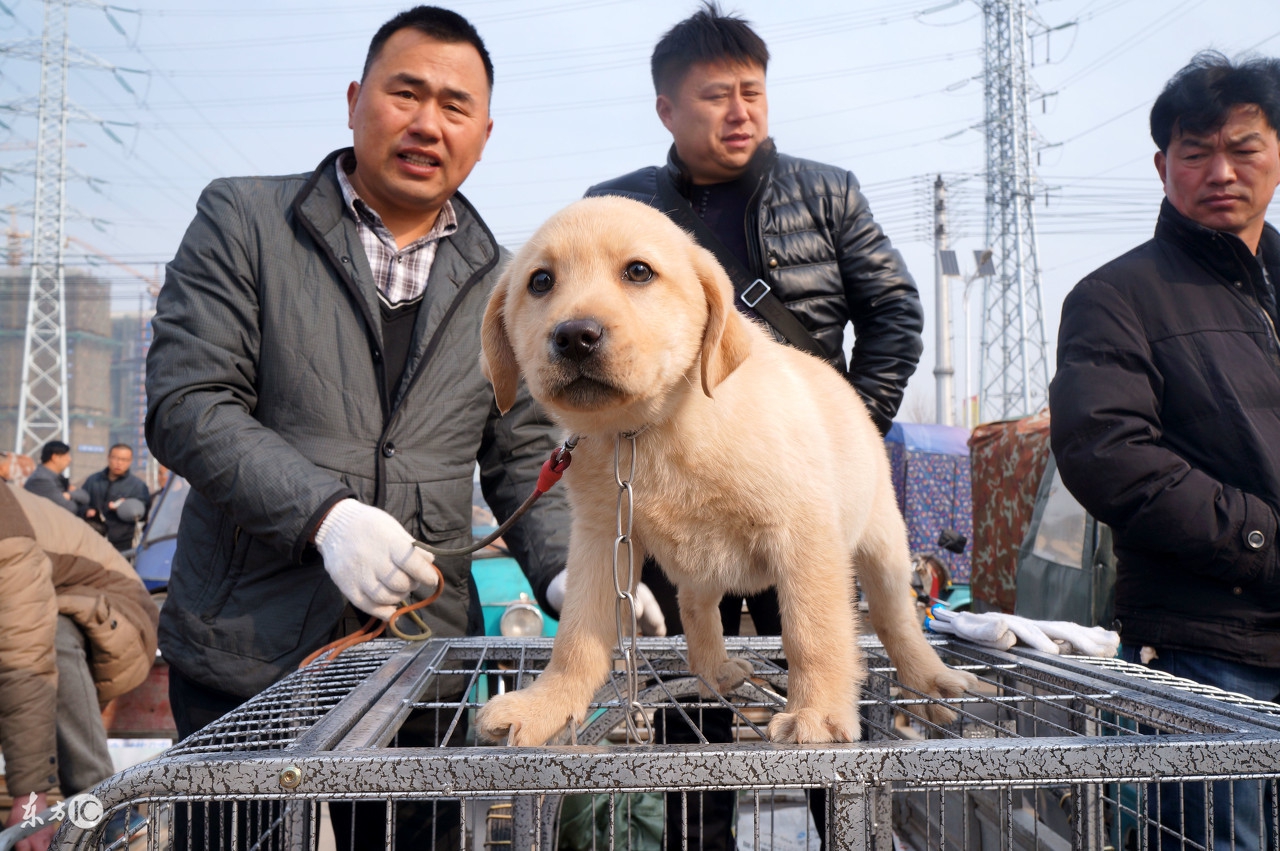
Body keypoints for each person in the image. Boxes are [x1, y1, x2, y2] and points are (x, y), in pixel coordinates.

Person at [145, 6, 569, 846]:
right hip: (250, 650)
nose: (426, 122)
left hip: (418, 658)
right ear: (354, 100)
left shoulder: (509, 278)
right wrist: (325, 517)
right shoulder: (246, 222)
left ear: (484, 132)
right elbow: (187, 401)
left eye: (455, 105)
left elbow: (524, 458)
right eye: (404, 92)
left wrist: (571, 574)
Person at [581, 5, 923, 850]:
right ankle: (701, 838)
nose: (741, 112)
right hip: (663, 491)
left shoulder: (828, 190)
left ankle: (847, 833)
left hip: (785, 489)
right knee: (688, 721)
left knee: (824, 704)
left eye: (753, 93)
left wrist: (843, 437)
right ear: (666, 108)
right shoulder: (614, 207)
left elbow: (895, 315)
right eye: (715, 96)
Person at [1049, 51, 1280, 851]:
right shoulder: (1116, 296)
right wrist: (1261, 541)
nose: (1221, 170)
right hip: (1201, 652)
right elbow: (1107, 454)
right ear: (1162, 165)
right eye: (1195, 151)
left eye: (1243, 147)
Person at [0, 474, 159, 851]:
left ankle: (105, 807)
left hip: (114, 620)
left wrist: (31, 798)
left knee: (49, 634)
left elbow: (26, 662)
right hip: (35, 615)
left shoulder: (6, 535)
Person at [80, 444, 150, 551]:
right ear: (108, 457)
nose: (119, 463)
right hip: (92, 537)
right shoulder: (93, 480)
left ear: (130, 461)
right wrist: (87, 511)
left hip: (122, 542)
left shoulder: (138, 486)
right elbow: (81, 502)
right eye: (115, 458)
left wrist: (126, 507)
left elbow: (143, 512)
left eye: (124, 459)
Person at [23, 440, 78, 514]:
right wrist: (75, 497)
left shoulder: (57, 478)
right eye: (66, 455)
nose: (69, 459)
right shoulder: (40, 480)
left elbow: (85, 496)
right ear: (54, 457)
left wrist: (70, 495)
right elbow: (69, 507)